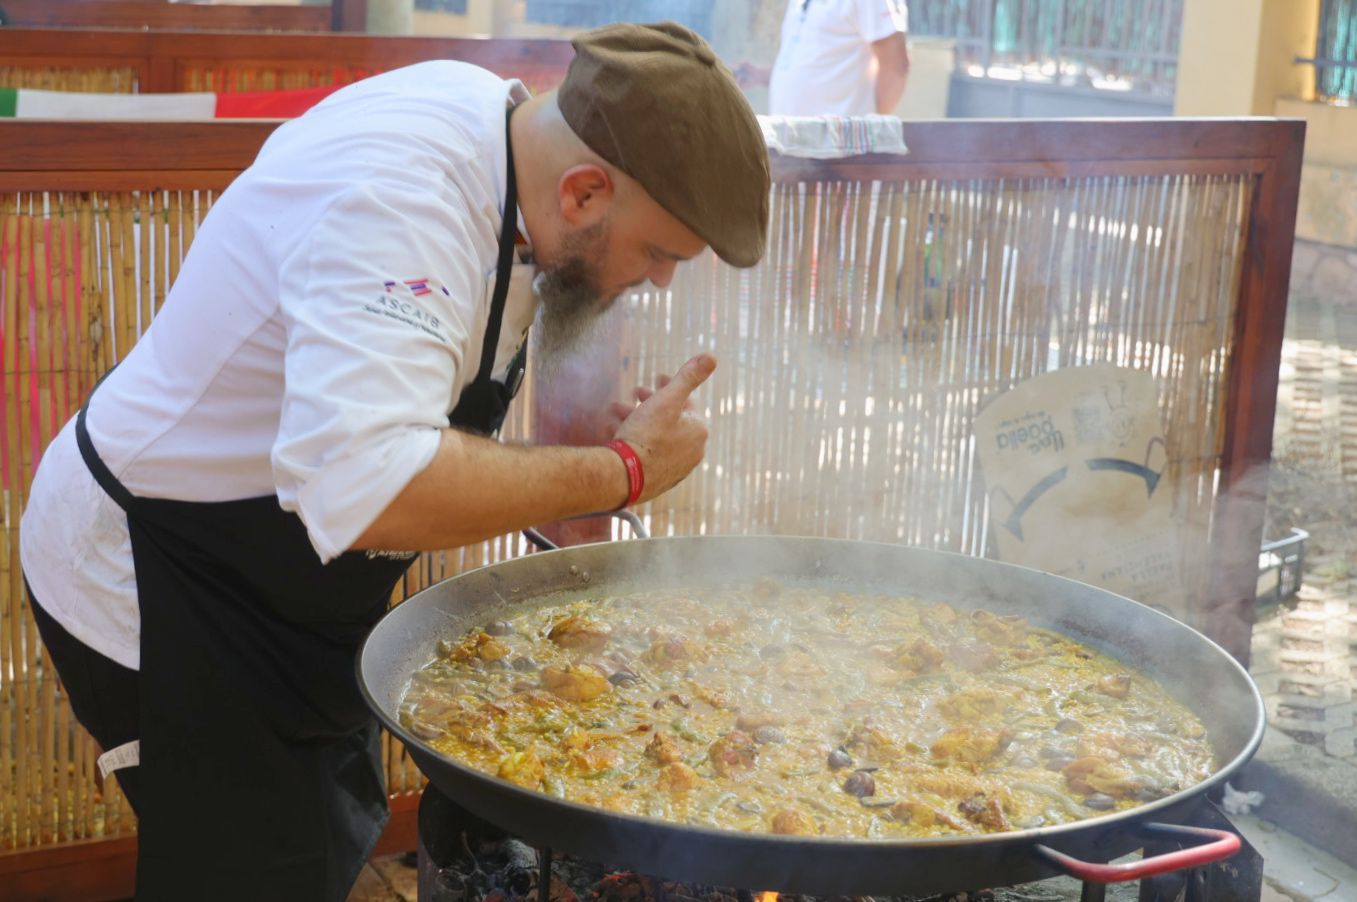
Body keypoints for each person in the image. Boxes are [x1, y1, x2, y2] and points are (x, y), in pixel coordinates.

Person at [19, 22, 769, 901]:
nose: (662, 282)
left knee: (317, 844)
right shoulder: (396, 203)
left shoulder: (511, 142)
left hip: (284, 584)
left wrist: (587, 436)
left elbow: (458, 347)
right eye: (658, 254)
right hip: (163, 575)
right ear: (585, 191)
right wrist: (623, 470)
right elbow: (369, 485)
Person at [738, 0, 910, 116]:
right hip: (793, 150)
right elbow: (817, 61)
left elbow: (896, 66)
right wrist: (762, 75)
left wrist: (870, 128)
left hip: (840, 154)